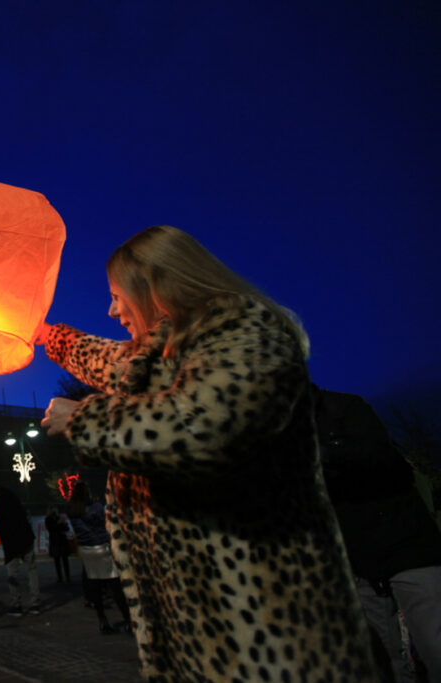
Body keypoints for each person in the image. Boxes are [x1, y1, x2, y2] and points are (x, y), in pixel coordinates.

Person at [39, 225, 377, 680]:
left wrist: (83, 419)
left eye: (118, 295)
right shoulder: (162, 355)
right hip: (201, 628)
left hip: (265, 626)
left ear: (155, 286)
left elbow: (203, 427)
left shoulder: (246, 330)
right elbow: (109, 361)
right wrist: (45, 335)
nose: (112, 309)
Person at [314, 384, 441, 682]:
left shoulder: (343, 407)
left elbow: (379, 459)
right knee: (384, 661)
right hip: (358, 563)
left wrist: (319, 454)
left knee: (434, 641)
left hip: (407, 548)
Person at [67, 480, 130, 634]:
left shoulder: (72, 510)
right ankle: (128, 619)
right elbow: (104, 523)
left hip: (86, 550)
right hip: (102, 546)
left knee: (94, 586)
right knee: (115, 584)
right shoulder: (95, 507)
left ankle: (102, 619)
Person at [0, 483, 40, 616]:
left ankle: (16, 604)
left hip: (11, 544)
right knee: (31, 570)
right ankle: (35, 603)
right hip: (25, 539)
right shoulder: (11, 497)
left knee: (12, 574)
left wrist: (3, 540)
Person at [43, 506, 71, 584]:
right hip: (55, 541)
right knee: (57, 560)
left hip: (62, 540)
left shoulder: (60, 517)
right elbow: (50, 528)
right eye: (52, 509)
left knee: (65, 560)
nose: (54, 510)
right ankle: (60, 577)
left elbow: (67, 529)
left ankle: (67, 576)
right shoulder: (48, 519)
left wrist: (64, 523)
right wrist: (58, 523)